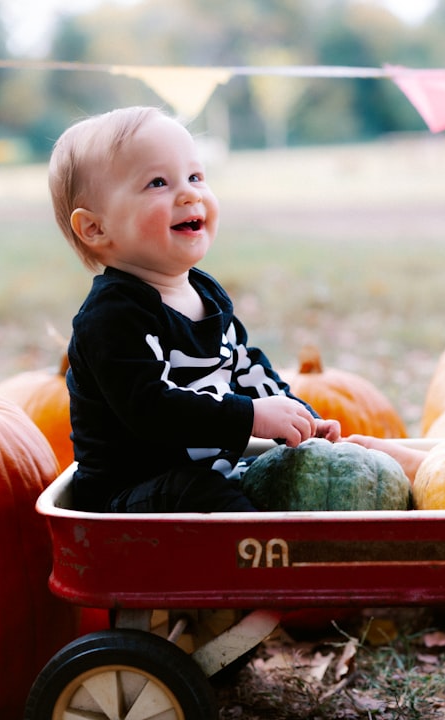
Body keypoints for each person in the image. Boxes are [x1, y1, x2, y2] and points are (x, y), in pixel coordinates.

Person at [49, 106, 340, 513]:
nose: (189, 194)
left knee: (277, 475)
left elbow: (244, 365)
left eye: (195, 177)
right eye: (157, 183)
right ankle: (259, 560)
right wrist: (251, 416)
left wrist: (299, 419)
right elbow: (152, 410)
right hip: (134, 492)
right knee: (203, 494)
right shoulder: (112, 316)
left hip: (205, 475)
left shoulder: (205, 294)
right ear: (96, 228)